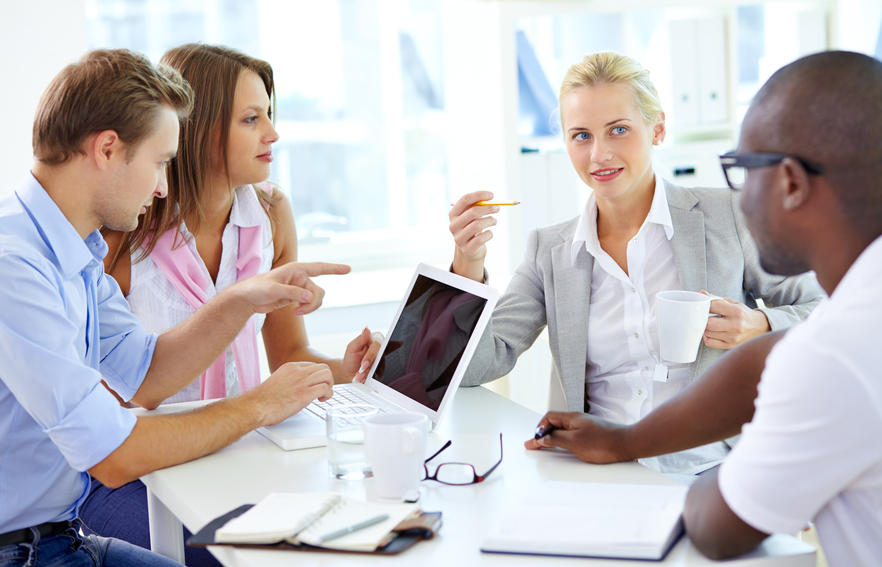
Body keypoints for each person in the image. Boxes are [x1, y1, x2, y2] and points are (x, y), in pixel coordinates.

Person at [526, 50, 882, 565]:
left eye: (739, 169)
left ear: (789, 183)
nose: (737, 197)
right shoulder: (851, 328)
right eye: (580, 134)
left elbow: (718, 529)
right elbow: (795, 348)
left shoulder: (831, 360)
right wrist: (627, 442)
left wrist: (668, 470)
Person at [0, 48, 347, 567]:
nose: (164, 184)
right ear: (108, 149)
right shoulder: (14, 266)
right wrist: (259, 405)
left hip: (60, 538)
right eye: (160, 162)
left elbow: (145, 374)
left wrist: (238, 300)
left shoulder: (76, 250)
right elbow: (112, 454)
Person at [448, 51, 825, 477]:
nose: (599, 155)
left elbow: (827, 311)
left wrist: (761, 326)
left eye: (619, 130)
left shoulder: (729, 216)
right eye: (581, 136)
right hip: (600, 471)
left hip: (717, 466)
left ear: (658, 128)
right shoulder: (549, 250)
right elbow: (477, 367)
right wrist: (468, 264)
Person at [78, 43, 382, 566]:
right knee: (227, 557)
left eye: (269, 114)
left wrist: (345, 368)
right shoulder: (123, 230)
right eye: (251, 119)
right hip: (135, 471)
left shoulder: (270, 212)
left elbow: (289, 354)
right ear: (198, 128)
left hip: (238, 447)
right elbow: (114, 404)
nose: (273, 134)